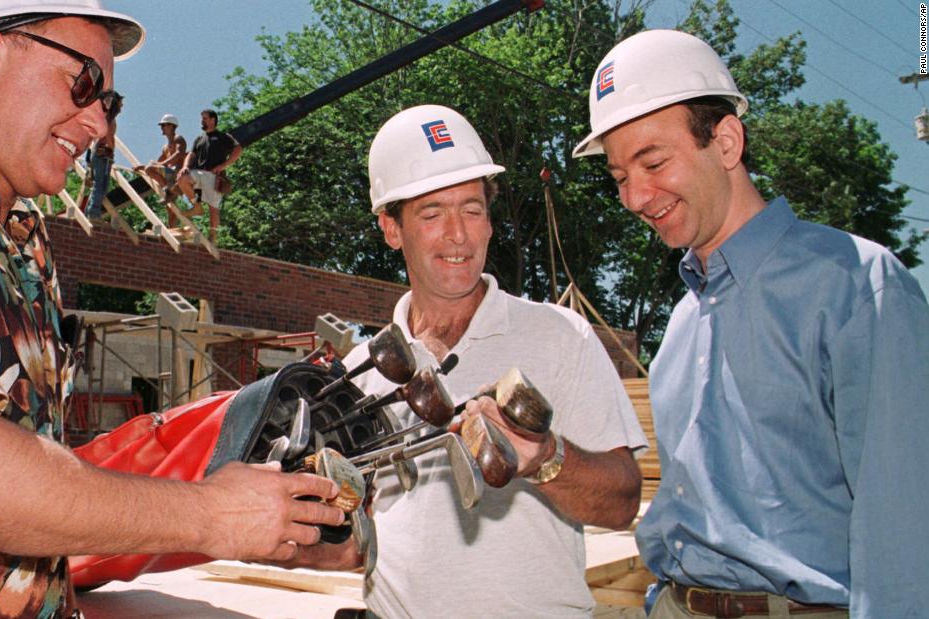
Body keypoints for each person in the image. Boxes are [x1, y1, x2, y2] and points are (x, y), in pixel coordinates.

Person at [0, 1, 344, 616]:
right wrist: (212, 514)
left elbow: (28, 482)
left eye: (111, 103)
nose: (100, 125)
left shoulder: (20, 236)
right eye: (85, 83)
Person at [573, 29, 929, 618]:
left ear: (727, 141)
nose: (635, 196)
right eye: (617, 177)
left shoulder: (856, 287)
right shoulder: (684, 325)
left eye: (653, 162)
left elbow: (905, 532)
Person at [287, 104, 648, 618]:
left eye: (472, 209)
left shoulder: (559, 336)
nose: (459, 235)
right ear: (392, 228)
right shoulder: (364, 371)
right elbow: (363, 542)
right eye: (433, 214)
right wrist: (306, 539)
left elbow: (622, 502)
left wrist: (546, 458)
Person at [178, 108, 242, 241]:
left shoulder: (223, 136)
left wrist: (223, 166)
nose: (202, 121)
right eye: (202, 119)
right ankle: (196, 206)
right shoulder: (199, 139)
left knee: (213, 208)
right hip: (198, 173)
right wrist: (185, 166)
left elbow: (238, 149)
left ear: (213, 120)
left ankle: (213, 236)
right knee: (182, 178)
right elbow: (191, 154)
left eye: (205, 118)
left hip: (214, 177)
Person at [84, 92, 121, 219]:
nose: (121, 108)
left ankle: (89, 213)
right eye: (120, 105)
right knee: (100, 186)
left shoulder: (105, 117)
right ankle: (93, 214)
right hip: (102, 154)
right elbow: (109, 137)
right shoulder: (109, 119)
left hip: (98, 153)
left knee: (97, 186)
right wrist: (111, 151)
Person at [135, 113, 188, 201]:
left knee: (150, 167)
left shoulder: (178, 138)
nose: (162, 127)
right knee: (151, 164)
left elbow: (179, 154)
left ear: (172, 126)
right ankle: (169, 191)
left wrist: (159, 164)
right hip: (169, 176)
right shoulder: (165, 148)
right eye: (161, 125)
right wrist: (143, 167)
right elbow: (157, 165)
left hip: (176, 174)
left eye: (164, 125)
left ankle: (168, 191)